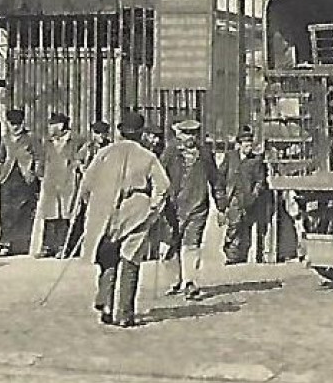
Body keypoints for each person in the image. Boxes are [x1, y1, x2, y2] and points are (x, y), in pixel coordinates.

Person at [75, 111, 170, 328]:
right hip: (136, 213)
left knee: (108, 258)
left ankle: (106, 304)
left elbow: (86, 185)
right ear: (141, 133)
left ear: (120, 131)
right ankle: (125, 314)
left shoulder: (104, 153)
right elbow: (162, 187)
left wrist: (93, 206)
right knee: (130, 260)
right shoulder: (148, 157)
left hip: (106, 213)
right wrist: (154, 209)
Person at [159, 119, 220, 300]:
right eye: (186, 134)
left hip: (197, 206)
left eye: (193, 134)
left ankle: (190, 282)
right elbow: (159, 176)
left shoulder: (205, 154)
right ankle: (174, 281)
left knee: (191, 245)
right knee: (169, 245)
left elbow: (215, 180)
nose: (190, 138)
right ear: (178, 134)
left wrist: (221, 205)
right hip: (172, 207)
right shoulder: (170, 152)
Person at [59, 120, 112, 259]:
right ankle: (70, 247)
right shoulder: (88, 148)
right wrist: (82, 168)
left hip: (103, 186)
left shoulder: (110, 147)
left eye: (104, 133)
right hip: (87, 186)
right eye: (98, 133)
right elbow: (77, 161)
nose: (101, 136)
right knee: (78, 215)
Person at [0, 108, 41, 257]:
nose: (15, 127)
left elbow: (39, 157)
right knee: (5, 211)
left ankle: (17, 244)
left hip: (24, 178)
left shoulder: (31, 138)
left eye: (18, 123)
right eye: (12, 123)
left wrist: (34, 173)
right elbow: (1, 158)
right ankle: (4, 241)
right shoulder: (5, 138)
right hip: (8, 178)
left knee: (22, 212)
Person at [35, 113, 83, 258]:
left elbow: (79, 159)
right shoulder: (48, 143)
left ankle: (64, 246)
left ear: (61, 126)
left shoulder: (75, 141)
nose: (49, 128)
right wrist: (40, 173)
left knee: (65, 215)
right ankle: (47, 246)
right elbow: (43, 160)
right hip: (51, 182)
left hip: (67, 182)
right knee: (49, 215)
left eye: (52, 124)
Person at [218, 128, 268, 265]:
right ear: (239, 145)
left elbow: (260, 181)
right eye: (246, 145)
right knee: (233, 226)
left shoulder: (255, 161)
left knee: (245, 227)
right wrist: (221, 197)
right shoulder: (231, 157)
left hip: (248, 199)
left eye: (250, 145)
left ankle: (241, 255)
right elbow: (220, 176)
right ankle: (230, 253)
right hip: (233, 198)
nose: (249, 148)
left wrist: (254, 195)